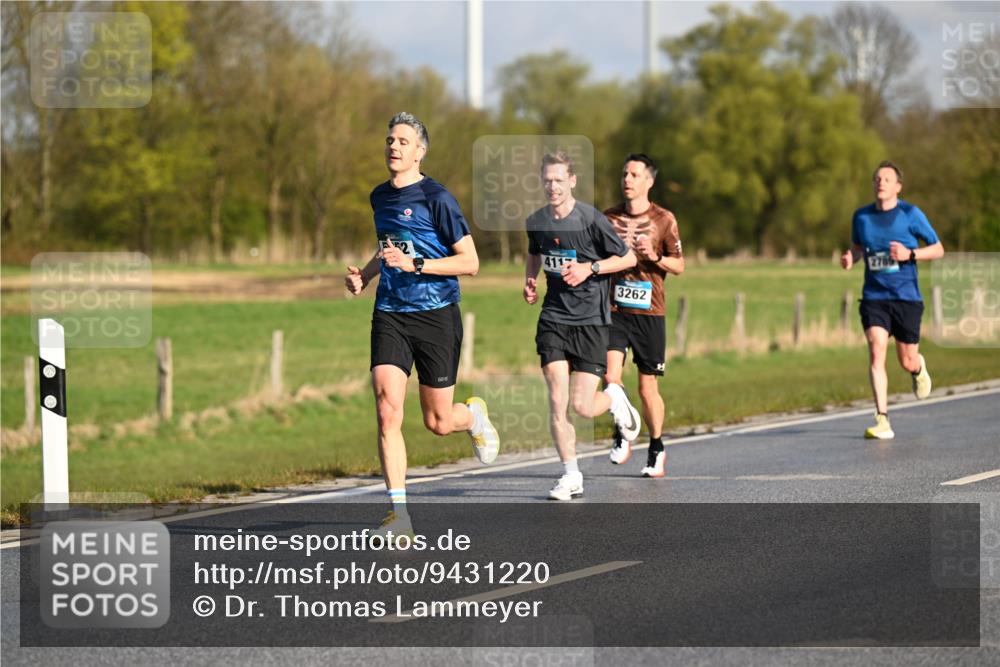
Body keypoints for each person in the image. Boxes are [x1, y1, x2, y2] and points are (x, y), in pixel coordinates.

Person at [345, 112, 499, 535]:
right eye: (389, 140)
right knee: (386, 409)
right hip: (390, 313)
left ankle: (472, 416)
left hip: (436, 316)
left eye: (403, 141)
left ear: (420, 151)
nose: (393, 146)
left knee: (437, 422)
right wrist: (366, 274)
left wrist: (418, 264)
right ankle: (399, 515)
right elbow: (388, 248)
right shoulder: (379, 197)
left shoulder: (438, 198)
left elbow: (470, 262)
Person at [523, 151, 642, 500]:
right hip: (554, 319)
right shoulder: (536, 221)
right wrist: (530, 280)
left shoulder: (591, 220)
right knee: (557, 401)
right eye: (547, 180)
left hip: (590, 321)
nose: (553, 186)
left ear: (572, 181)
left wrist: (589, 269)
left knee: (583, 406)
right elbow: (534, 253)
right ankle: (571, 474)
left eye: (559, 180)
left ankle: (614, 398)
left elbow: (628, 257)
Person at [841, 160, 944, 439]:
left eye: (886, 179)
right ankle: (882, 419)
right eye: (876, 178)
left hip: (906, 298)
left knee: (906, 360)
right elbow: (859, 247)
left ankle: (918, 368)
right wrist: (852, 257)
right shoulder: (861, 217)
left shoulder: (911, 214)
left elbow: (938, 249)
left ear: (897, 186)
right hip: (875, 296)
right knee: (876, 349)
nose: (880, 182)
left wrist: (910, 255)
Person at [603, 154, 685, 477]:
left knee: (647, 389)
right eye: (625, 173)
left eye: (634, 174)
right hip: (614, 309)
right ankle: (623, 430)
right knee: (610, 378)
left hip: (650, 310)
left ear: (649, 181)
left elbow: (680, 265)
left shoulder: (664, 219)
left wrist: (656, 257)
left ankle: (656, 446)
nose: (627, 179)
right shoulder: (607, 218)